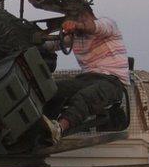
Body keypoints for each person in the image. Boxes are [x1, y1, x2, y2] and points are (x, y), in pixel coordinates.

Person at [42, 9, 129, 144]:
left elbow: (94, 27)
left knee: (85, 96)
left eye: (79, 17)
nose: (76, 21)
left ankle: (59, 128)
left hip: (113, 81)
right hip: (87, 79)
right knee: (51, 89)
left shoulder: (107, 24)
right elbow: (51, 44)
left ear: (89, 15)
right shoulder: (74, 37)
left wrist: (77, 25)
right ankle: (41, 128)